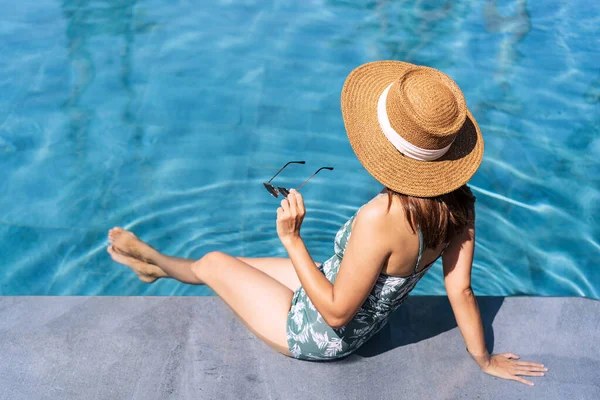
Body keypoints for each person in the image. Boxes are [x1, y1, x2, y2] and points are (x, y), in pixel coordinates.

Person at [107, 60, 547, 385]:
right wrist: (484, 360)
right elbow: (461, 290)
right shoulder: (461, 207)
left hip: (321, 333)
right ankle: (156, 265)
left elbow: (336, 312)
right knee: (241, 265)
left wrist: (292, 239)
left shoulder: (380, 217)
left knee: (215, 262)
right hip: (356, 312)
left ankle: (154, 263)